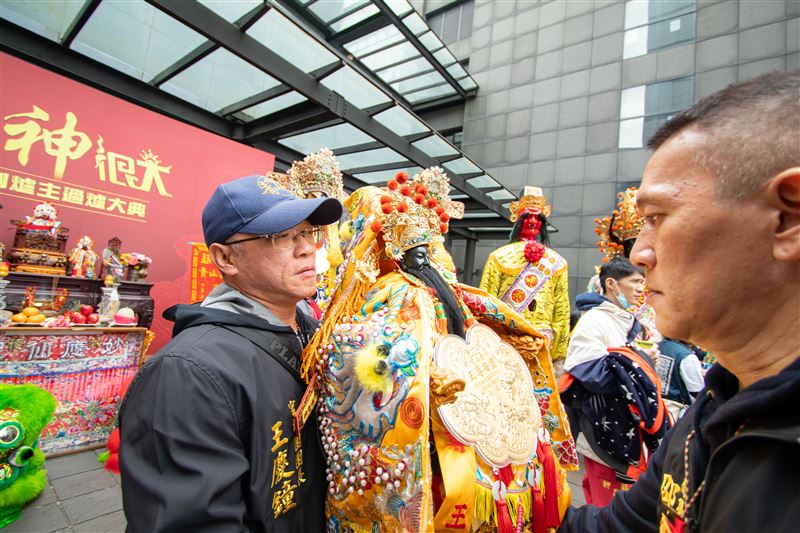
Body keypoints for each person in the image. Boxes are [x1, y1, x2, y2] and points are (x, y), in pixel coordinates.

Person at [560, 71, 800, 532]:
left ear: (786, 217)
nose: (639, 255)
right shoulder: (715, 407)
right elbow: (620, 525)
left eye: (657, 217)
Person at [304, 169, 576, 532]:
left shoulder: (398, 291)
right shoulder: (443, 287)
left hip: (434, 428)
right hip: (453, 427)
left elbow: (367, 352)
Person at [118, 174, 343, 531]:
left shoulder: (313, 335)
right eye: (279, 236)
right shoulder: (187, 373)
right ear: (226, 258)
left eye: (307, 233)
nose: (306, 249)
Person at [562, 257, 670, 507]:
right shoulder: (594, 321)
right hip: (605, 425)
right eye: (635, 281)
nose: (641, 288)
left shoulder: (630, 321)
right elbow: (589, 373)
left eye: (643, 282)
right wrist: (639, 359)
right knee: (606, 499)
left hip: (629, 424)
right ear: (612, 284)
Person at [480, 186, 571, 370]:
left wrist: (559, 353)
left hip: (543, 342)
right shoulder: (499, 257)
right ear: (517, 220)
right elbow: (485, 303)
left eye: (538, 218)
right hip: (505, 340)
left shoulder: (557, 263)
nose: (532, 222)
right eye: (527, 216)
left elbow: (561, 310)